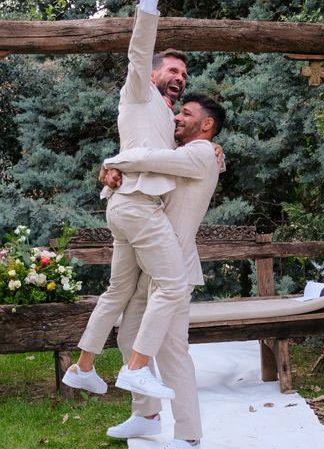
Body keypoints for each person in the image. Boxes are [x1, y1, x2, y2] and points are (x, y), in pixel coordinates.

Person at [62, 0, 193, 400]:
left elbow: (144, 149)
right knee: (173, 286)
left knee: (118, 291)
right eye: (173, 70)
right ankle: (136, 368)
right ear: (153, 73)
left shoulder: (160, 114)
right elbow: (140, 48)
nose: (179, 78)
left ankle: (82, 367)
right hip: (136, 206)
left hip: (123, 206)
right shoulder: (139, 89)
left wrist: (112, 163)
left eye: (184, 76)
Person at [102, 93, 226, 449]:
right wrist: (109, 170)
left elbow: (147, 158)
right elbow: (145, 166)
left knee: (172, 352)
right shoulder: (187, 153)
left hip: (176, 268)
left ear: (206, 125)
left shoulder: (201, 152)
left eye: (186, 114)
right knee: (128, 336)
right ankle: (147, 416)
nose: (176, 118)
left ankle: (188, 436)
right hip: (151, 265)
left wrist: (112, 160)